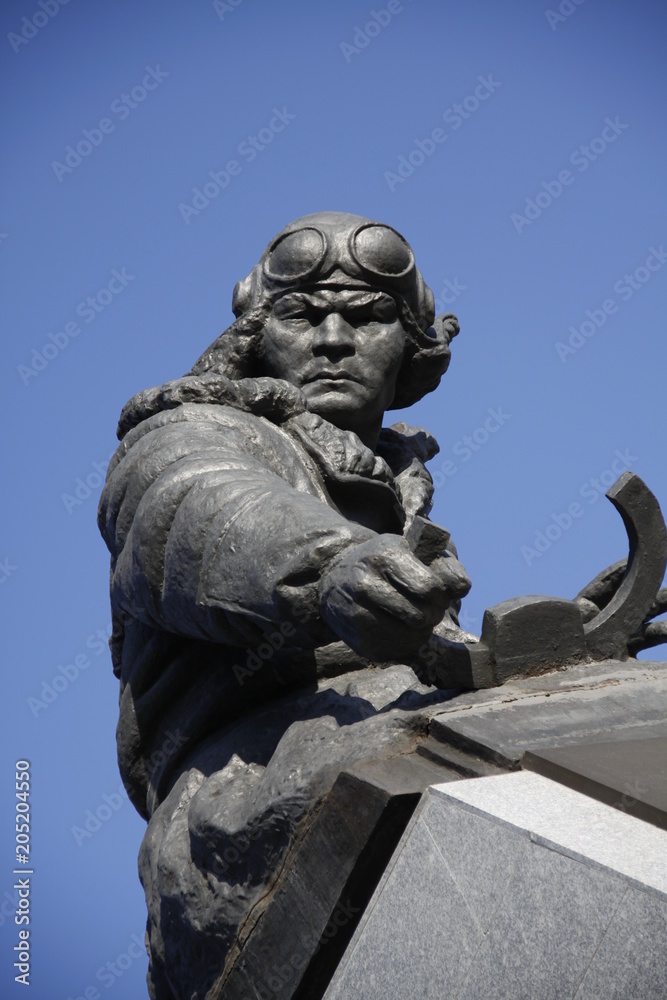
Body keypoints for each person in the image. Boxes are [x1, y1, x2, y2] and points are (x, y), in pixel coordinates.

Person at [98, 211, 472, 999]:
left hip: (384, 734)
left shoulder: (393, 481)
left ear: (412, 345)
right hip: (245, 791)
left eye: (368, 317)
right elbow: (190, 509)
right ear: (257, 337)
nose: (333, 339)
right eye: (302, 314)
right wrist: (332, 567)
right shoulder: (193, 430)